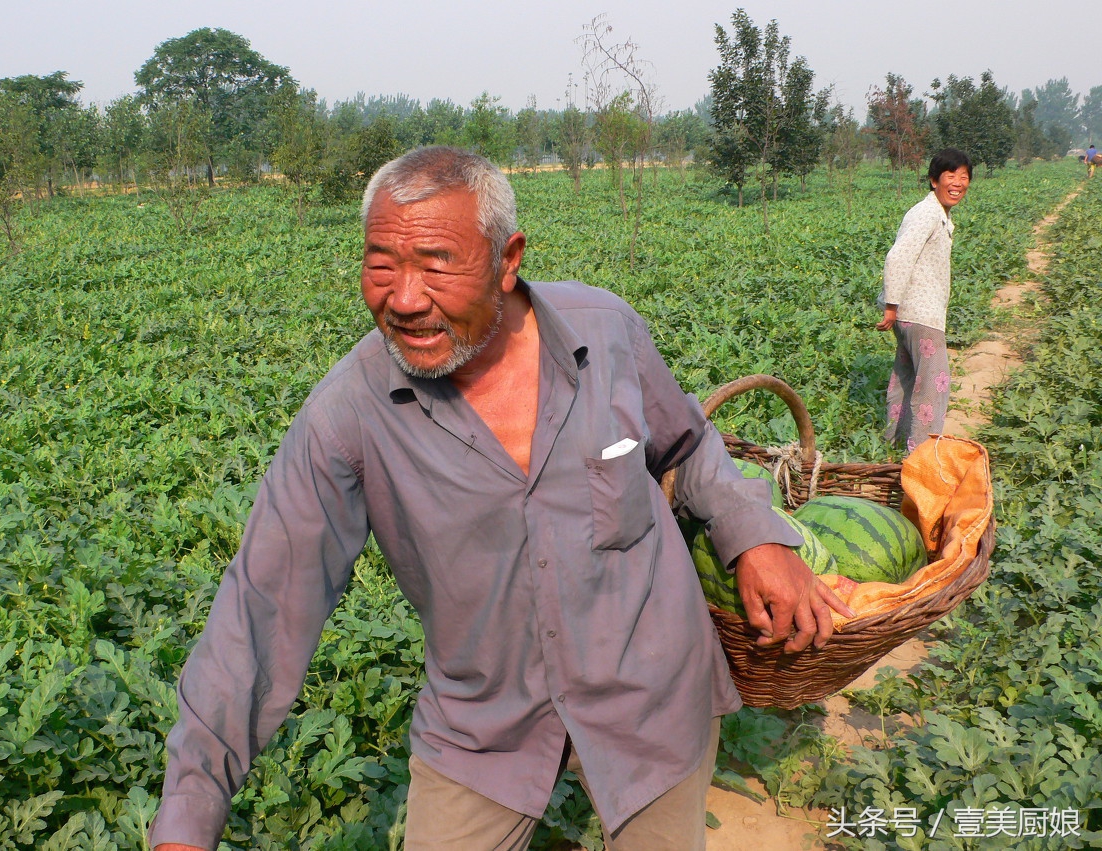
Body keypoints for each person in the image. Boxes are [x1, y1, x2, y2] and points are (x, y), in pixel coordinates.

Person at [148, 147, 853, 851]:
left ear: (507, 257)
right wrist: (188, 810)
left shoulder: (604, 332)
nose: (403, 297)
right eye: (381, 263)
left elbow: (685, 443)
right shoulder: (349, 413)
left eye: (436, 263)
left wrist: (754, 533)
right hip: (483, 722)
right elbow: (264, 603)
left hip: (652, 692)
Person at [876, 147, 973, 454]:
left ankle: (893, 445)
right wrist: (891, 305)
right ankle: (919, 460)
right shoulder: (927, 213)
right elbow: (898, 256)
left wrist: (894, 307)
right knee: (933, 387)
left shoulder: (936, 214)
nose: (957, 182)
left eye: (964, 176)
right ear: (934, 180)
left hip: (912, 314)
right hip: (921, 316)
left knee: (906, 379)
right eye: (950, 175)